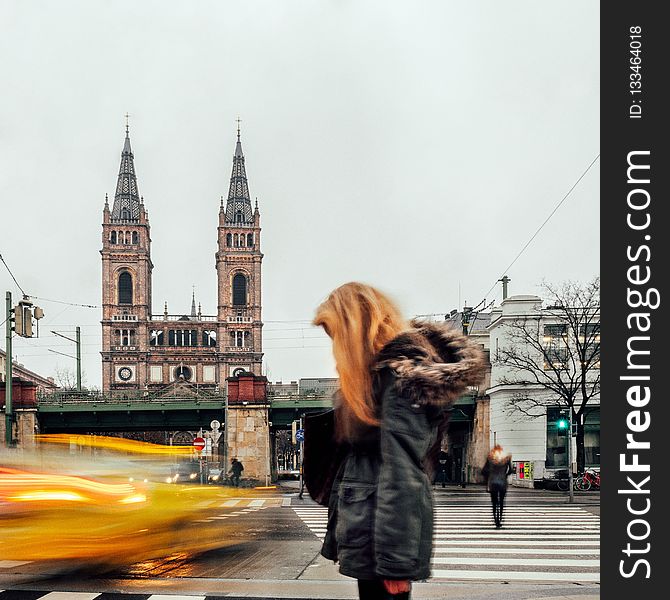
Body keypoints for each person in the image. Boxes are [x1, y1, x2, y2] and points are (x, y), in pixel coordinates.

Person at [313, 282, 485, 600]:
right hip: (372, 537)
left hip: (382, 546)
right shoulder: (380, 379)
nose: (335, 348)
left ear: (356, 332)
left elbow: (403, 475)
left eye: (337, 337)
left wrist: (395, 566)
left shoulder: (397, 382)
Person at [482, 445, 513, 528]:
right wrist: (505, 475)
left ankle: (496, 519)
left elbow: (484, 471)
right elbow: (511, 470)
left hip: (493, 482)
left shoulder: (490, 458)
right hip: (502, 482)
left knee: (494, 502)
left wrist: (490, 474)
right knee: (502, 501)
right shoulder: (506, 458)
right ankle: (500, 519)